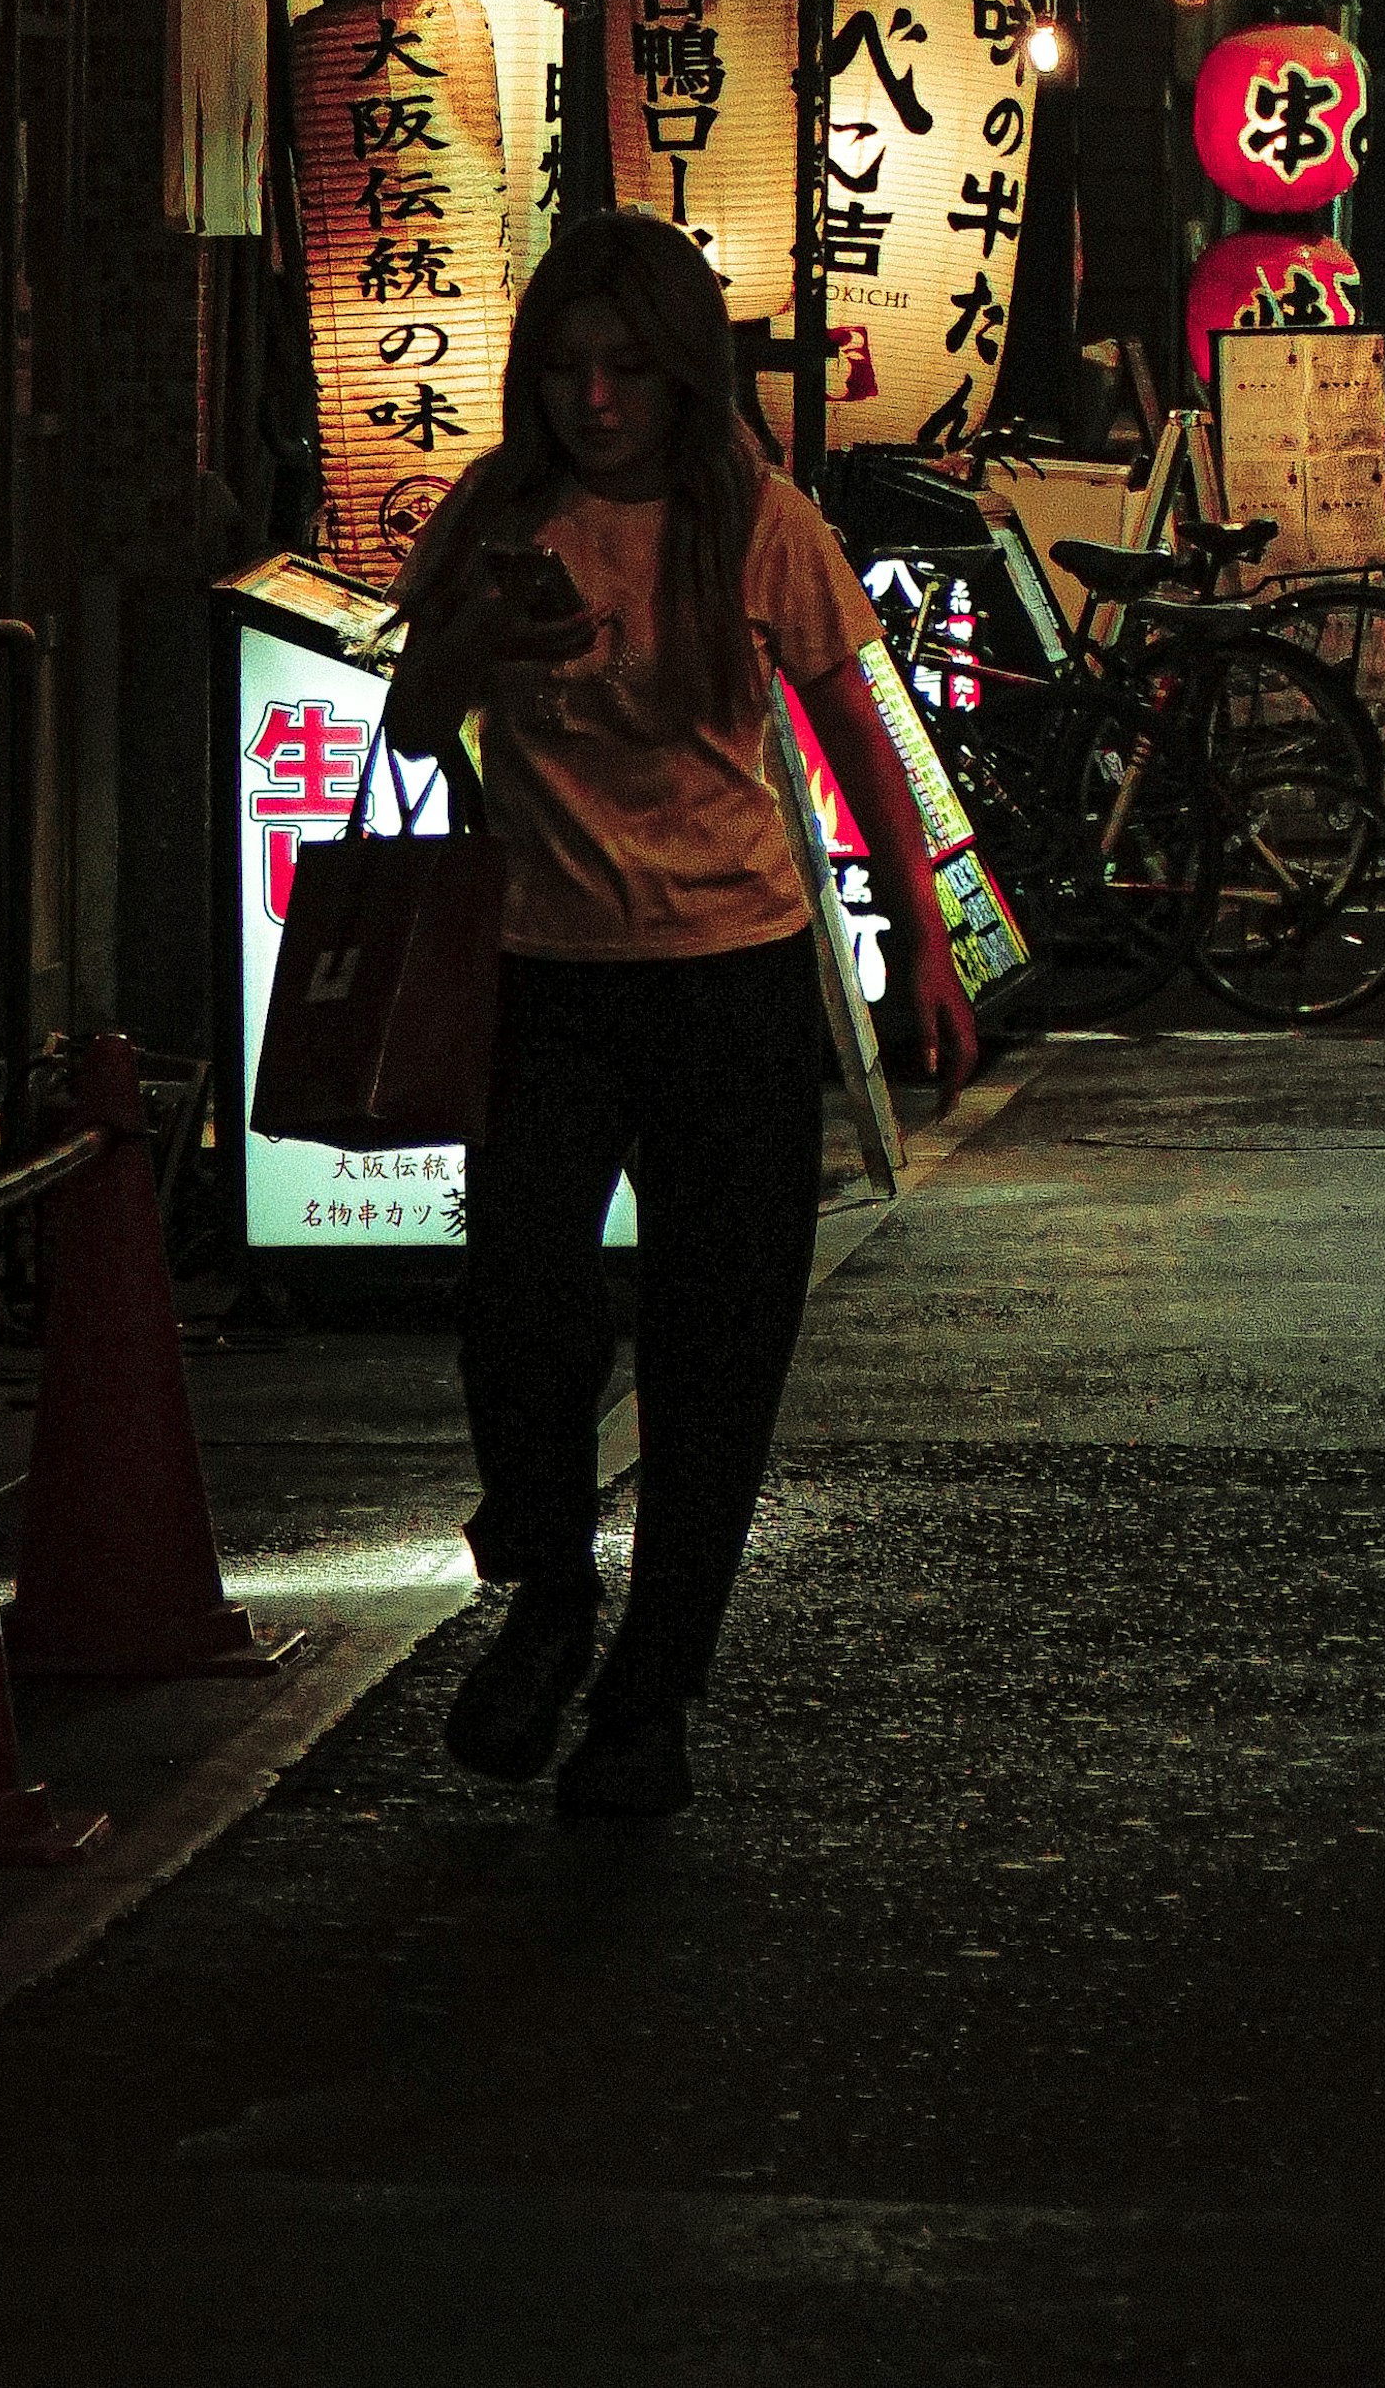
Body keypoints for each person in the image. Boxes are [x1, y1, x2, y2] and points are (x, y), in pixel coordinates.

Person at [383, 211, 981, 1828]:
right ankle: (551, 1585)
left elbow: (858, 723)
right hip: (546, 973)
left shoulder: (752, 517)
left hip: (733, 972)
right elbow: (411, 712)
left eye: (626, 368)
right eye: (568, 369)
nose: (594, 399)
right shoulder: (505, 509)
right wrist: (480, 636)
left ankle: (652, 1696)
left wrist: (926, 935)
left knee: (722, 1349)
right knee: (518, 1293)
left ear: (681, 368)